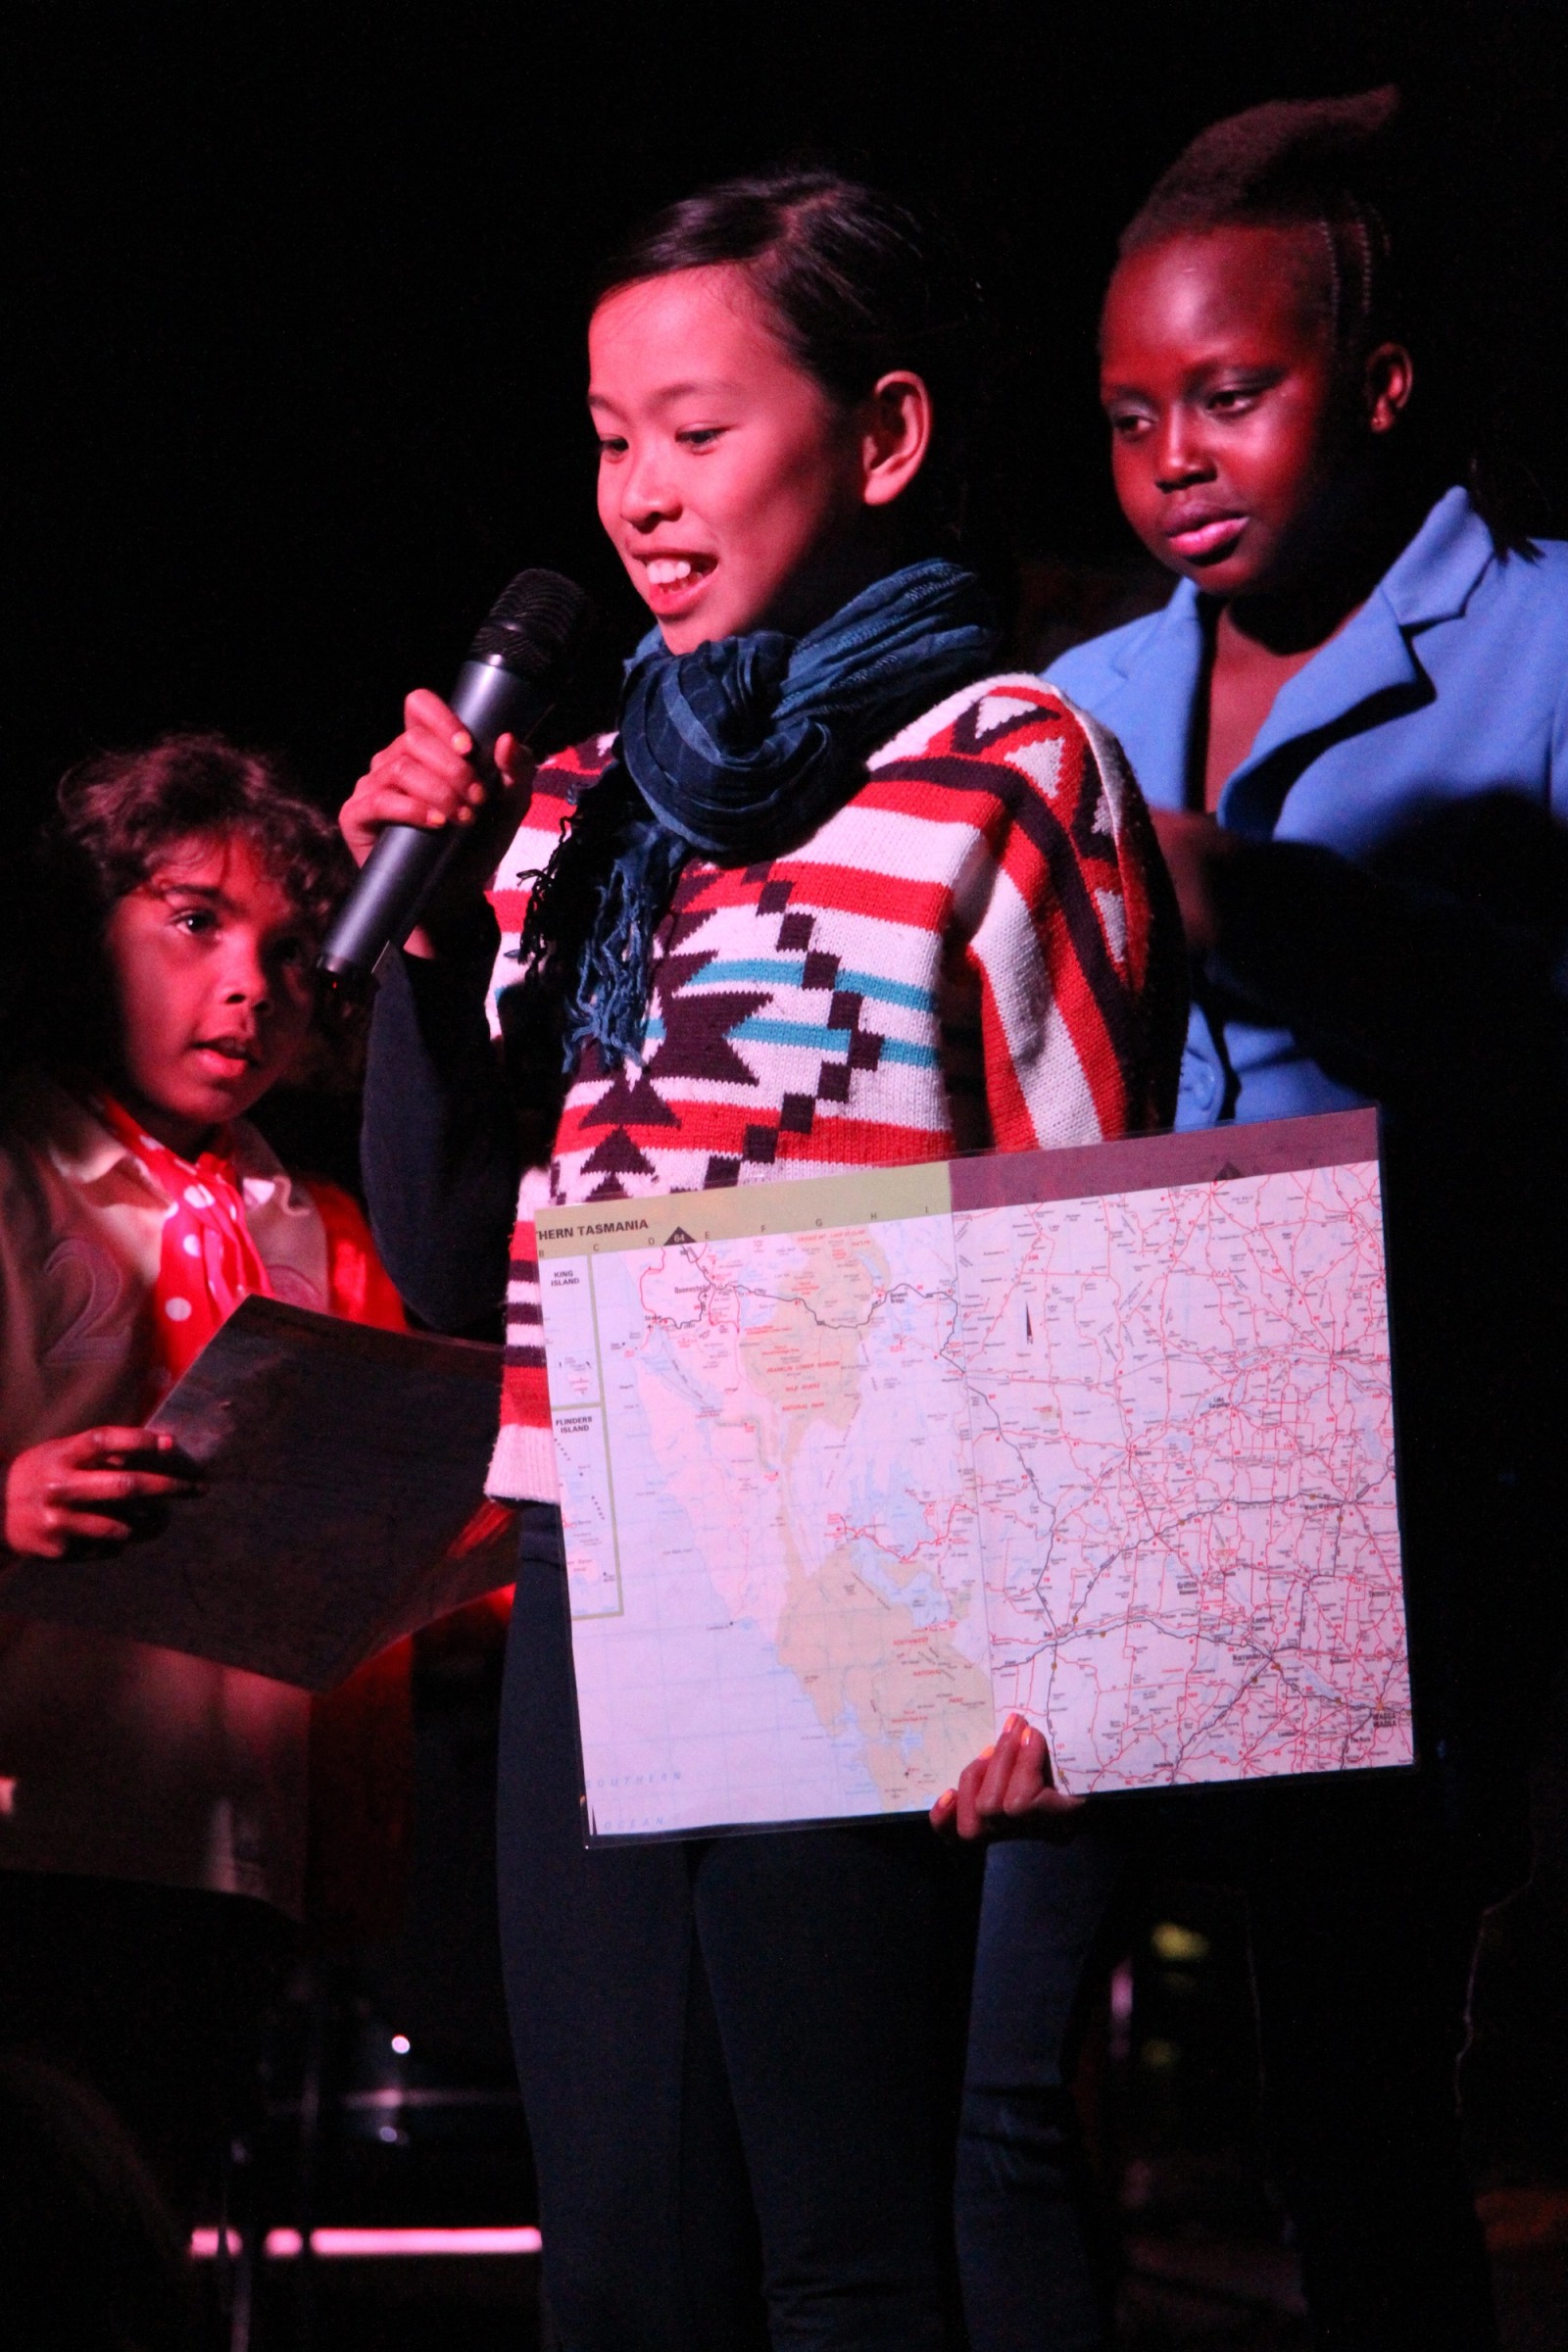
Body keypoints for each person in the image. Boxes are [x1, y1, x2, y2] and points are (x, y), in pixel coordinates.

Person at [343, 170, 1188, 2351]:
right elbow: (458, 1261)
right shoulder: (583, 798)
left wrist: (1052, 1646)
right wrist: (432, 938)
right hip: (602, 1572)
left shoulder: (1005, 768)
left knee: (844, 2249)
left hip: (865, 1568)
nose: (640, 492)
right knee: (619, 2262)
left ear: (882, 435)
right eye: (612, 437)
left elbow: (1080, 1219)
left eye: (697, 431)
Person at [946, 91, 1568, 2352]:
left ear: (1376, 384)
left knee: (1352, 2106)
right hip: (1094, 1465)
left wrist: (1265, 914)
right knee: (995, 2083)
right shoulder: (1068, 702)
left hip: (1397, 1478)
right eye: (1127, 418)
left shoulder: (1547, 655)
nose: (1173, 458)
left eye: (1231, 394)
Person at [0, 732, 410, 2268]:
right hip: (40, 1841)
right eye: (193, 922)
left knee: (166, 2243)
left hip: (240, 1856)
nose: (249, 984)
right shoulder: (20, 1179)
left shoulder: (315, 1228)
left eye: (292, 952)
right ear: (82, 929)